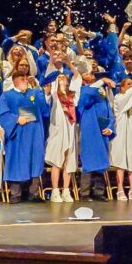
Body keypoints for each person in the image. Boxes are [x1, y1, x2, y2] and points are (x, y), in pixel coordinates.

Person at [0, 71, 49, 203]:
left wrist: (43, 93)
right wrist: (16, 119)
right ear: (14, 80)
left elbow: (45, 111)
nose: (25, 80)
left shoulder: (35, 93)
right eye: (22, 78)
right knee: (16, 161)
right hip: (18, 135)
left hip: (34, 134)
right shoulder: (7, 96)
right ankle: (15, 194)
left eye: (26, 78)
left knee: (35, 161)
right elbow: (2, 115)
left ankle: (34, 193)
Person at [78, 71, 117, 201]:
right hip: (90, 131)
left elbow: (110, 113)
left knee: (101, 162)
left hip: (102, 131)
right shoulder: (83, 90)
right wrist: (102, 80)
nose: (91, 74)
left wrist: (110, 128)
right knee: (89, 162)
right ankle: (85, 193)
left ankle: (98, 192)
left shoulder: (102, 93)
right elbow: (87, 98)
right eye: (87, 73)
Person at [44, 70, 80, 203]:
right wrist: (47, 93)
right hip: (58, 129)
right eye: (59, 78)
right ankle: (55, 191)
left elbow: (78, 78)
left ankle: (66, 190)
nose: (61, 79)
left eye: (63, 77)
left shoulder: (72, 95)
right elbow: (47, 102)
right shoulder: (54, 95)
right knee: (57, 160)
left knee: (68, 160)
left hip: (70, 128)